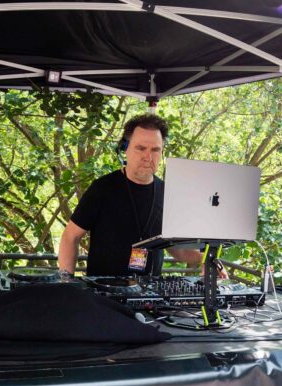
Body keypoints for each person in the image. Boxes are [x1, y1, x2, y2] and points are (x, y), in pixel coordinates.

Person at [58, 113, 205, 277]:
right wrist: (67, 282)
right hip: (102, 290)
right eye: (141, 148)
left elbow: (177, 249)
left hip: (150, 291)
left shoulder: (168, 193)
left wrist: (206, 259)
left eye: (155, 150)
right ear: (125, 149)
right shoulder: (102, 188)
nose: (148, 157)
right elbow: (70, 237)